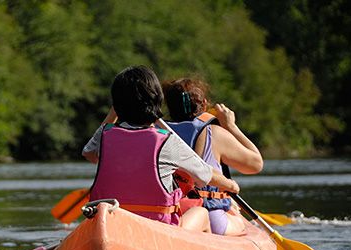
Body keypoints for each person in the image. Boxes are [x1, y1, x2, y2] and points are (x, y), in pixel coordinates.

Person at [82, 66, 240, 232]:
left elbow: (90, 154)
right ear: (157, 100)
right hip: (158, 229)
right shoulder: (166, 141)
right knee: (201, 213)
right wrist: (231, 185)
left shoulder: (104, 135)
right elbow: (206, 174)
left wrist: (115, 111)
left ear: (116, 104)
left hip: (113, 223)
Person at [163, 78, 263, 235]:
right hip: (211, 217)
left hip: (171, 213)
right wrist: (231, 126)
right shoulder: (214, 133)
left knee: (230, 204)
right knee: (237, 215)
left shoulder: (158, 132)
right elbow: (256, 164)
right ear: (204, 104)